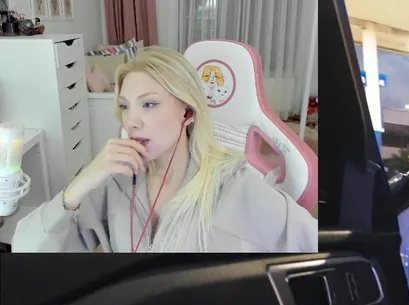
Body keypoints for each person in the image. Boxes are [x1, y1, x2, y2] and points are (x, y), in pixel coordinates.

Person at [12, 47, 316, 253]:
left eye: (149, 104)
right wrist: (82, 182)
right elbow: (28, 248)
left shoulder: (234, 184)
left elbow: (314, 243)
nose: (131, 121)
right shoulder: (117, 181)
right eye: (124, 106)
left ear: (188, 111)